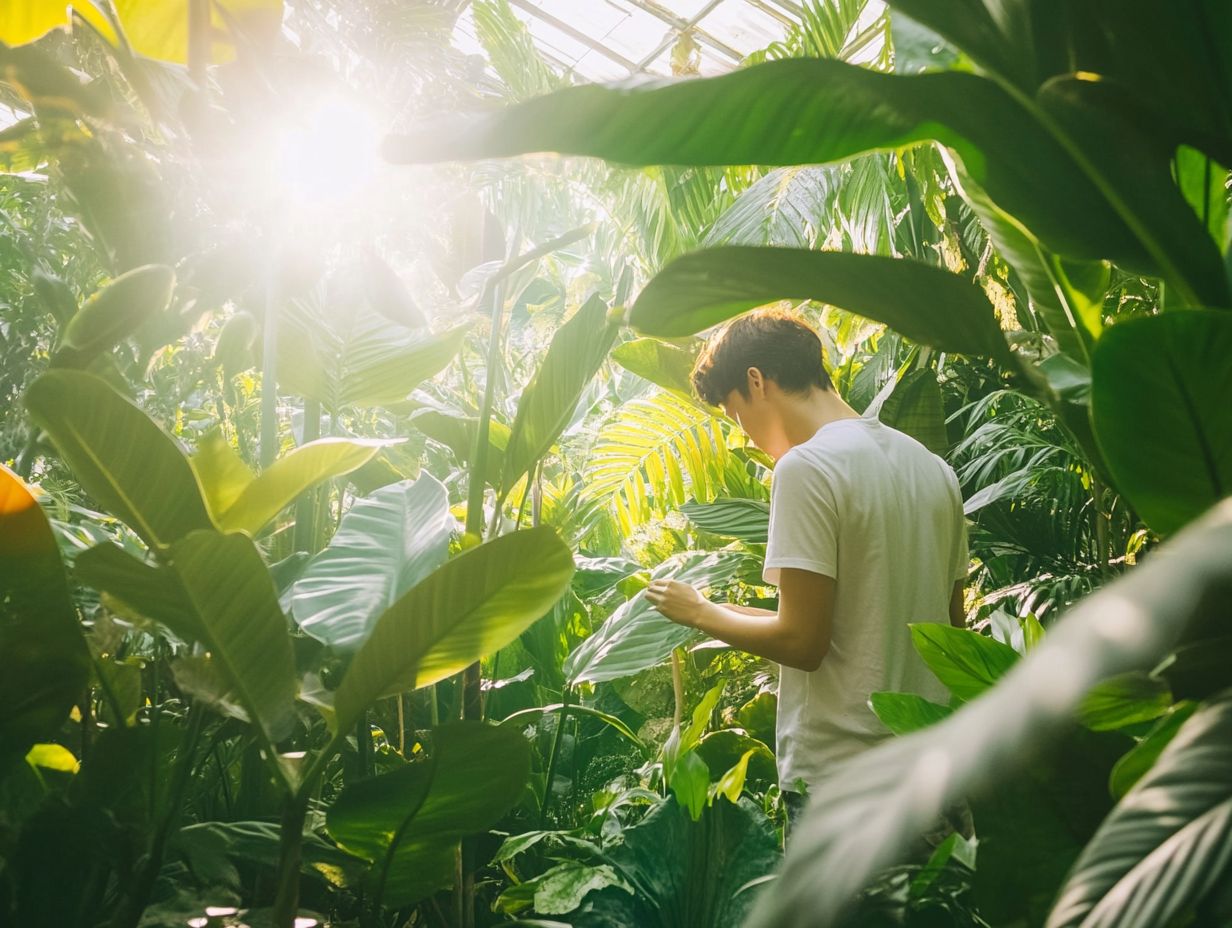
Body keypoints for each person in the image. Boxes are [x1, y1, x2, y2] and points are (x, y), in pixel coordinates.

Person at [644, 308, 971, 848]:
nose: (742, 431)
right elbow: (948, 631)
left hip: (849, 787)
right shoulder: (932, 469)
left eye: (734, 411)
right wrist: (714, 610)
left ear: (756, 381)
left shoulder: (807, 469)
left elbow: (804, 642)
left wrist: (698, 613)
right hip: (935, 773)